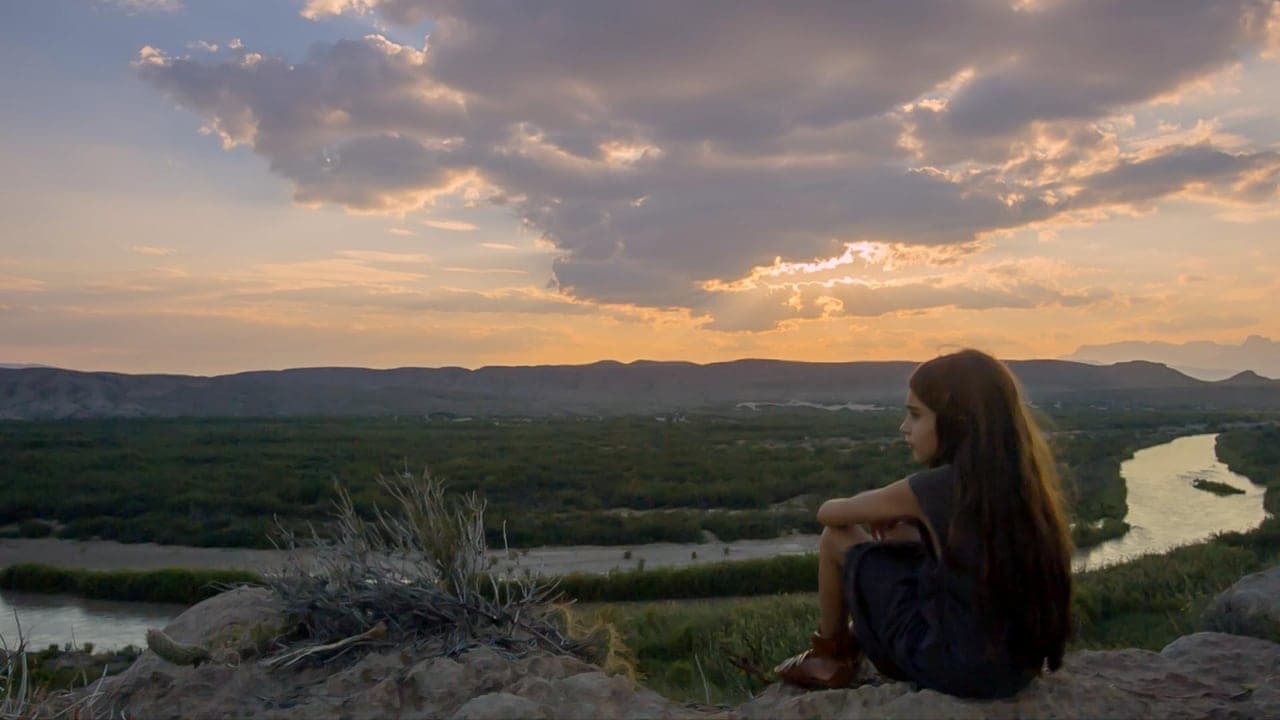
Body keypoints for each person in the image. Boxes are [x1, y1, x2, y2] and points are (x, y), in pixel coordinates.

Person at [773, 349, 1074, 698]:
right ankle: (849, 642)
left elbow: (830, 513)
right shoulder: (1021, 483)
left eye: (916, 415)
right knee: (904, 538)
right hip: (1014, 669)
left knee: (836, 538)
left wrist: (884, 510)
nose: (905, 428)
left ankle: (830, 655)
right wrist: (912, 523)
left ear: (955, 421)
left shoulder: (936, 486)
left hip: (957, 667)